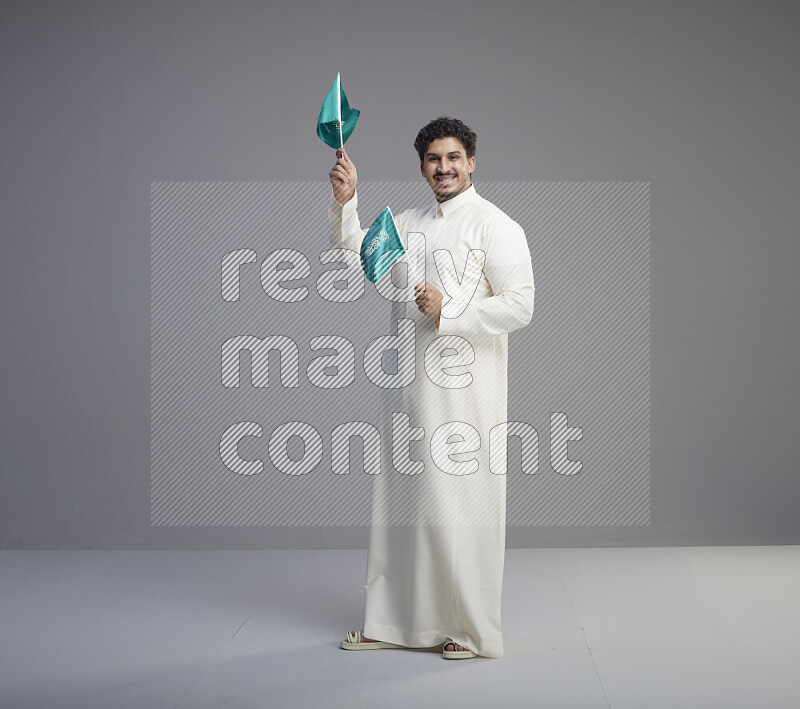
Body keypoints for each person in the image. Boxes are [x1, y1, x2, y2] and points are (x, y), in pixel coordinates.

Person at [329, 117, 535, 659]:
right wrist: (348, 202)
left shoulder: (497, 226)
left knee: (458, 506)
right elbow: (362, 261)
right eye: (433, 160)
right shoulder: (408, 223)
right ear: (422, 166)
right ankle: (391, 624)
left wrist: (453, 310)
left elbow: (521, 304)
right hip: (406, 392)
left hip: (466, 396)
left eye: (453, 158)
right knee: (399, 505)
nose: (443, 168)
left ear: (471, 162)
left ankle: (467, 629)